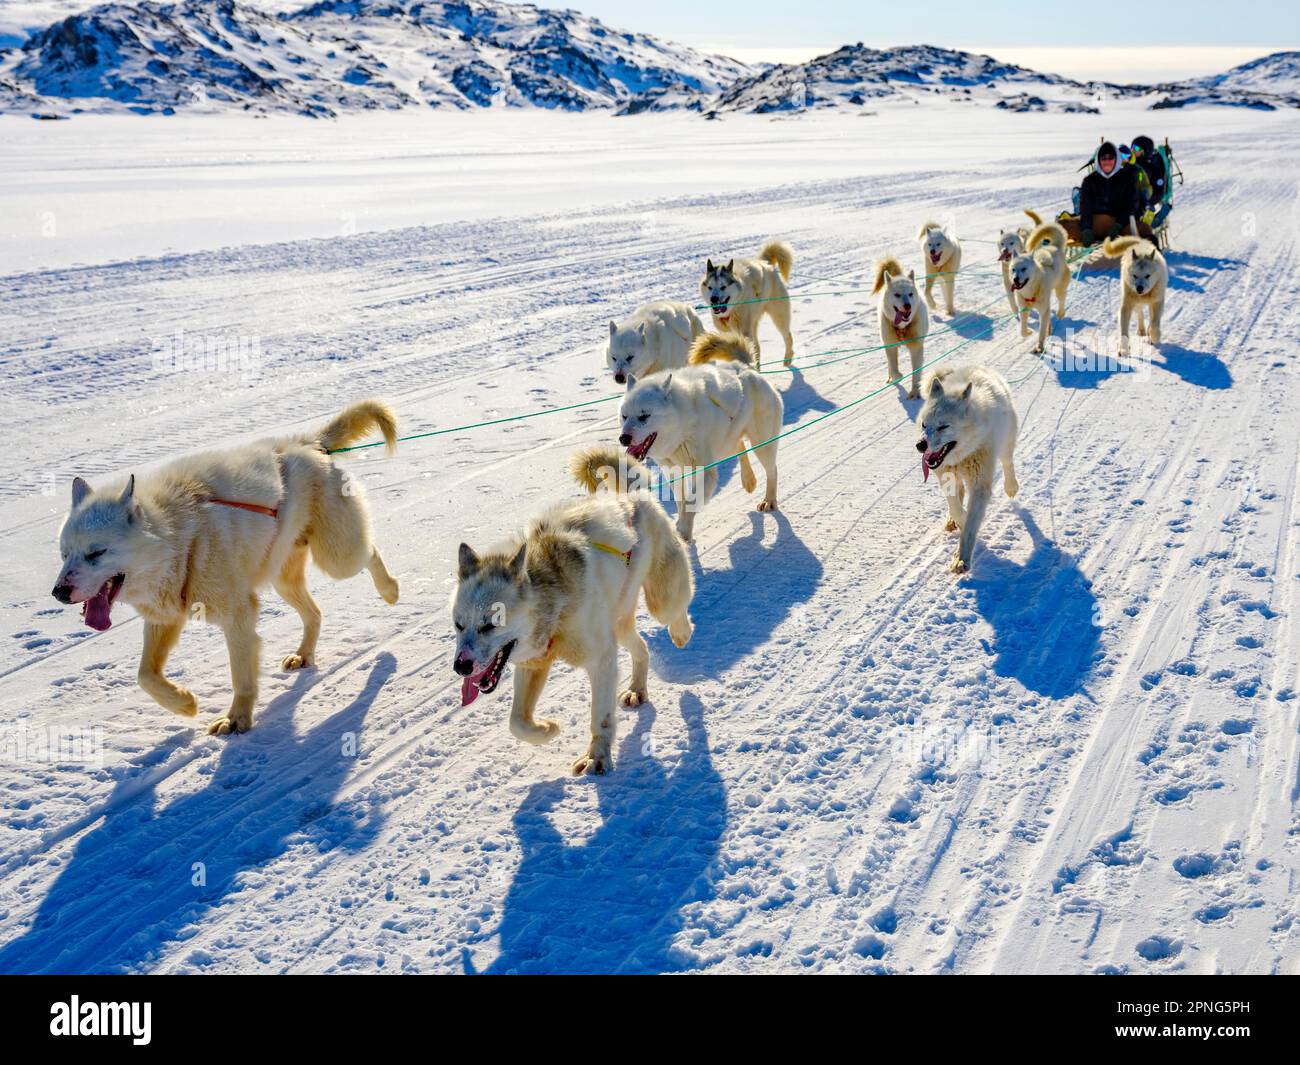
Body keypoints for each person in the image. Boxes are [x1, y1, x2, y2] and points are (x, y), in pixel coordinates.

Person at [1077, 141, 1142, 246]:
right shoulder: (1089, 181)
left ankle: (1148, 258)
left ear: (1116, 159)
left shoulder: (1128, 178)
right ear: (1098, 160)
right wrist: (1086, 229)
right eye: (1103, 158)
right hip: (1095, 223)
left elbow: (1131, 204)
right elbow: (1085, 207)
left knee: (1144, 231)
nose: (1107, 161)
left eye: (1110, 158)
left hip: (1120, 225)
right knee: (1062, 226)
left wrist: (1119, 225)